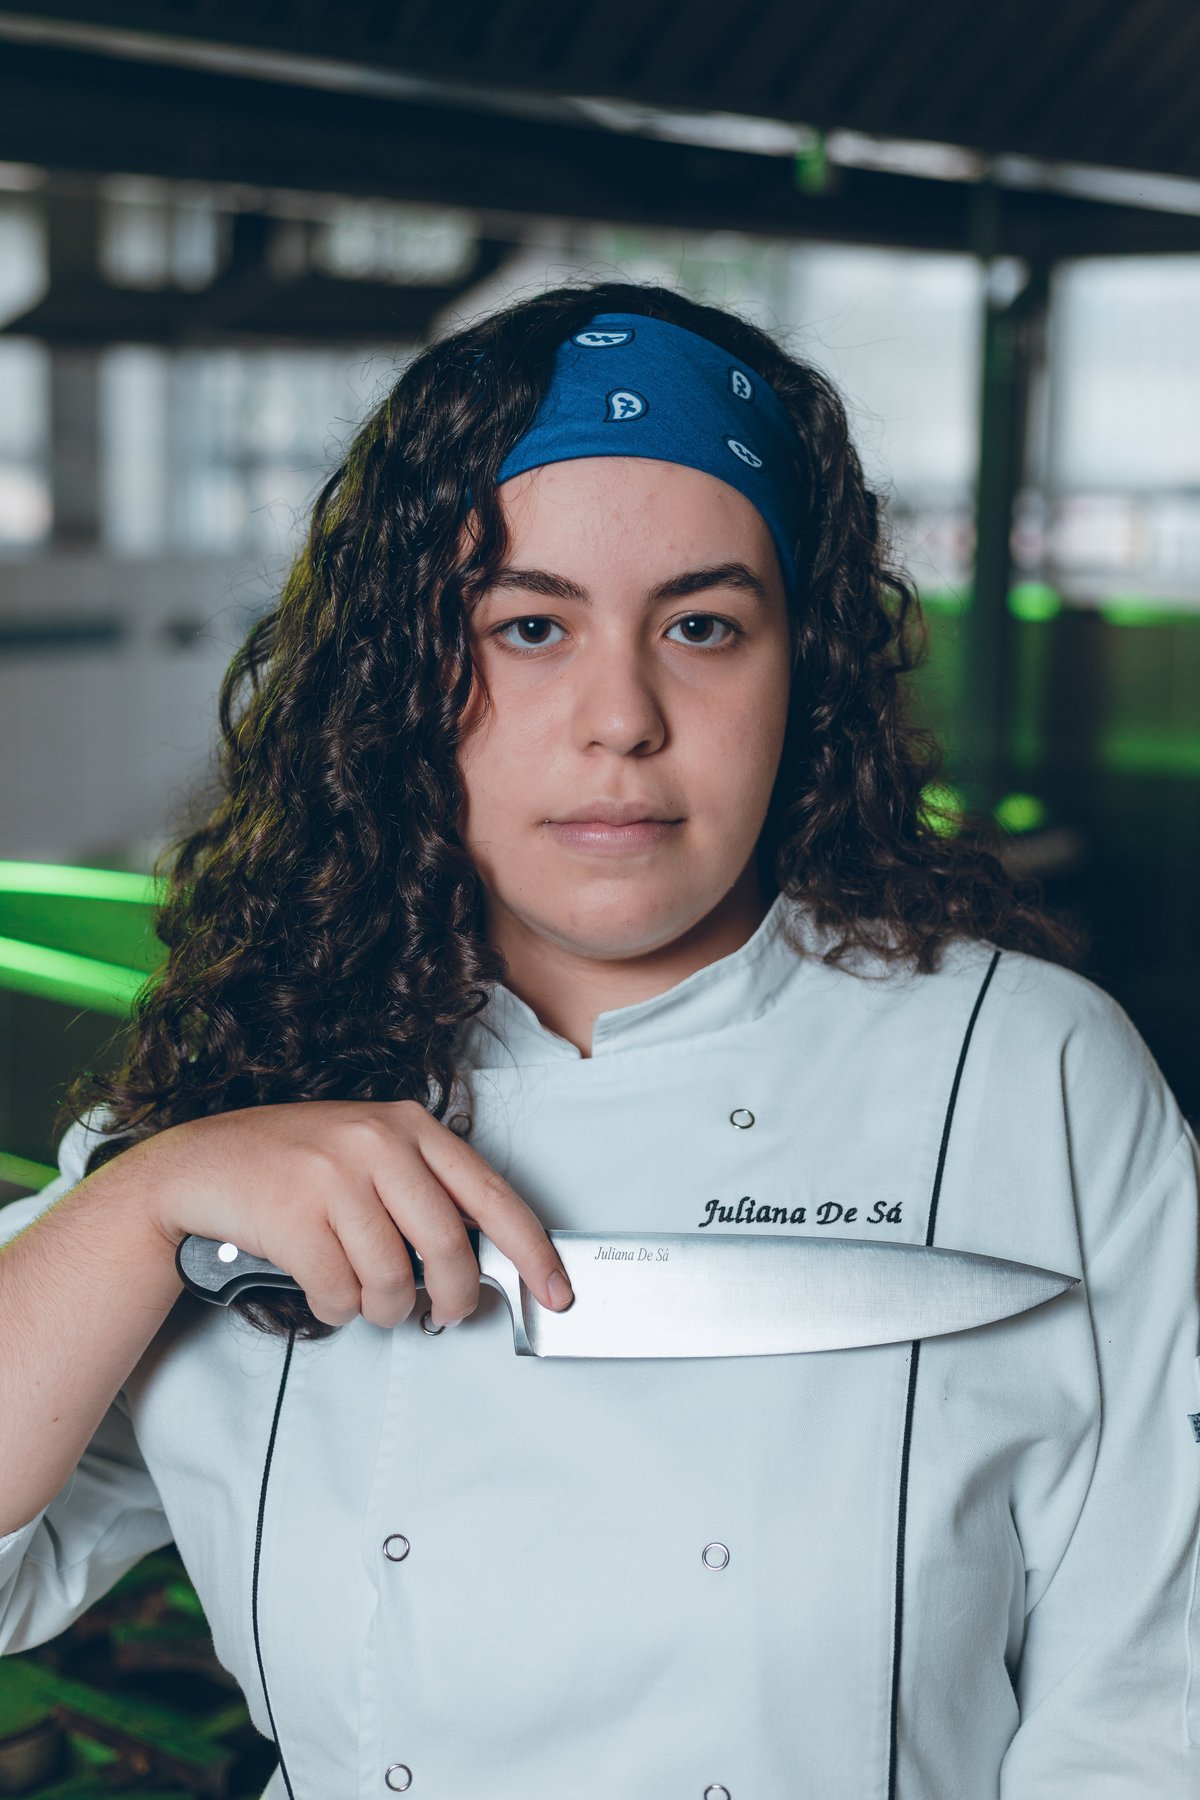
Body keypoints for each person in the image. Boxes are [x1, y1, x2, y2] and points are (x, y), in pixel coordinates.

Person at [1, 281, 1197, 1800]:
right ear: (401, 679)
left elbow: (1150, 1708)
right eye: (527, 626)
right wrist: (141, 1205)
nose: (618, 716)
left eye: (702, 625)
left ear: (804, 673)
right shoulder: (249, 1107)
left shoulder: (1026, 1076)